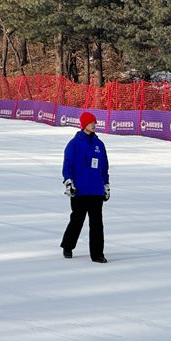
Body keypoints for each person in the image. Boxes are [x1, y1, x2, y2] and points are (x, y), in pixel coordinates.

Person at [60, 111, 110, 263]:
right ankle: (68, 245)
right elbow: (67, 165)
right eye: (91, 122)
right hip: (80, 190)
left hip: (95, 190)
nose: (94, 124)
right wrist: (68, 182)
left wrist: (106, 185)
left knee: (97, 224)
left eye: (94, 122)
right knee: (77, 220)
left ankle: (97, 254)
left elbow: (104, 167)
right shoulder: (74, 144)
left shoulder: (99, 145)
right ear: (84, 124)